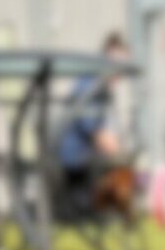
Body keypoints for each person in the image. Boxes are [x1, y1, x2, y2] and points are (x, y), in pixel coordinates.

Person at [57, 30, 132, 218]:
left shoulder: (101, 86)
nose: (120, 71)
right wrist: (118, 152)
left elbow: (102, 129)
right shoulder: (92, 84)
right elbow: (93, 129)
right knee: (90, 210)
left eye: (123, 65)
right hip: (76, 159)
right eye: (117, 63)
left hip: (85, 157)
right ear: (105, 59)